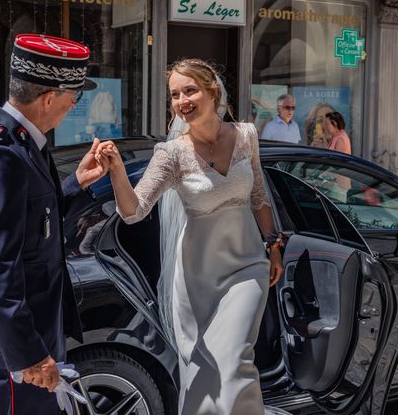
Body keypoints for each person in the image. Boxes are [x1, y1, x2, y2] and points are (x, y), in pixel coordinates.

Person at [102, 58, 285, 414]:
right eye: (174, 95)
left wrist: (273, 246)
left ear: (212, 91)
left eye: (190, 90)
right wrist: (117, 172)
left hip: (247, 265)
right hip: (197, 277)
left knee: (234, 361)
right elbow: (133, 211)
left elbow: (259, 196)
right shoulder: (171, 154)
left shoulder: (246, 135)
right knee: (204, 371)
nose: (182, 100)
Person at [0, 33, 110, 415]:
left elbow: (34, 225)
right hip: (18, 348)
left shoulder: (22, 142)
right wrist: (28, 354)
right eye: (72, 97)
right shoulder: (1, 152)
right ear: (47, 98)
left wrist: (77, 182)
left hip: (32, 336)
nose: (73, 105)